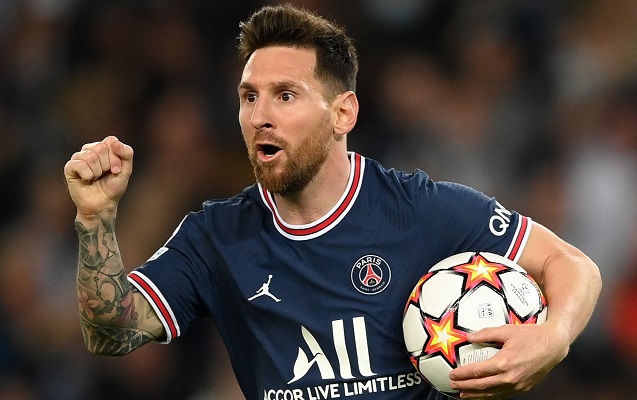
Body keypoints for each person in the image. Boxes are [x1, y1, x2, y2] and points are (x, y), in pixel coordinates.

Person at [63, 4, 601, 400]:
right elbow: (112, 333)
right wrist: (95, 219)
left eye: (285, 95)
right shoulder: (216, 237)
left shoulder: (419, 209)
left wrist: (553, 338)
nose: (260, 116)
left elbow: (572, 264)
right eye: (249, 97)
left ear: (343, 113)